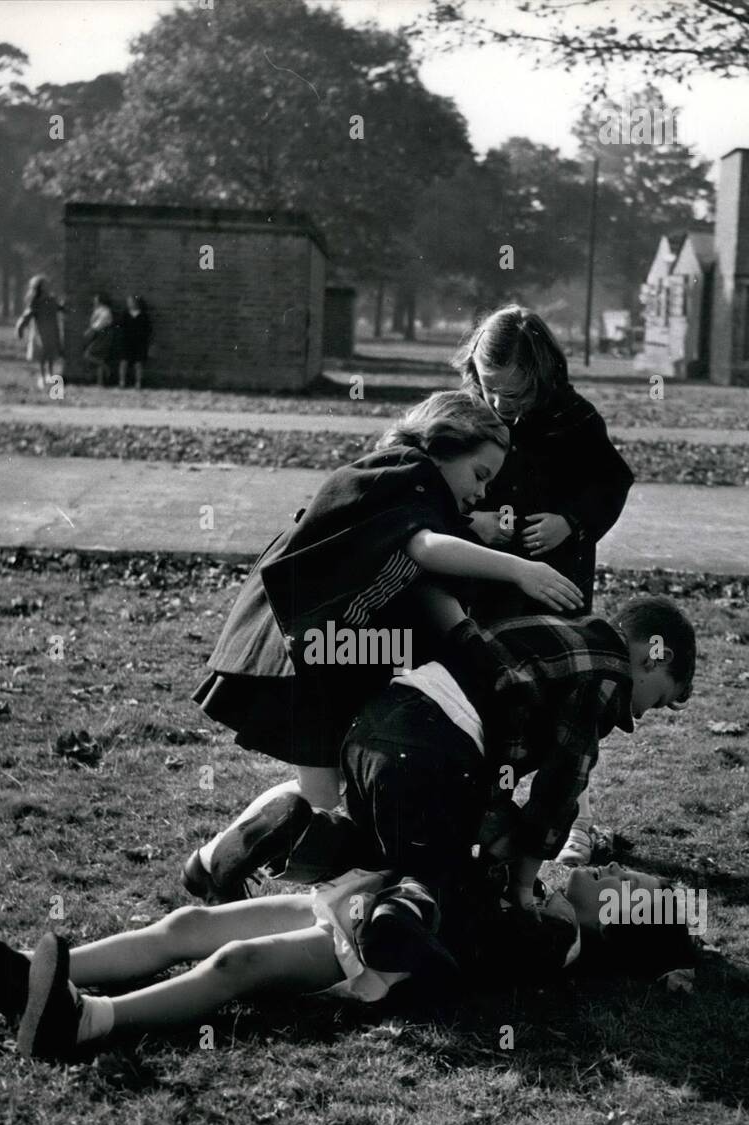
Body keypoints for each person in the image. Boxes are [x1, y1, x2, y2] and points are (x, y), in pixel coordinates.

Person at [186, 390, 584, 901]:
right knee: (326, 801)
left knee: (334, 795)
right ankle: (253, 879)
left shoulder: (413, 486)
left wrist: (471, 526)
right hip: (302, 644)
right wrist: (519, 568)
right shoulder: (403, 470)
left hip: (330, 652)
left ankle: (216, 865)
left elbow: (420, 538)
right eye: (479, 474)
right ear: (443, 445)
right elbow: (423, 544)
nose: (482, 492)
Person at [188, 593, 696, 974]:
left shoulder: (553, 630)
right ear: (654, 659)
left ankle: (282, 835)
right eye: (656, 699)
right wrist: (522, 883)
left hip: (382, 720)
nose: (638, 714)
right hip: (436, 745)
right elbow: (560, 788)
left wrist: (498, 825)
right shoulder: (607, 675)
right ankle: (395, 924)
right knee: (439, 866)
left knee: (376, 843)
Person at [0, 860, 697, 1065]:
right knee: (191, 921)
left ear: (620, 927)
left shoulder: (551, 939)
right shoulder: (552, 881)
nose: (628, 878)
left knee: (234, 962)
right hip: (363, 896)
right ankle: (53, 973)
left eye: (639, 892)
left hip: (375, 943)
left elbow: (456, 942)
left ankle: (86, 1023)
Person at [456, 305, 636, 867]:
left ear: (543, 376)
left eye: (516, 394)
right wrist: (473, 523)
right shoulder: (465, 416)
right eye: (492, 391)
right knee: (492, 689)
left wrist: (571, 520)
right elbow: (430, 487)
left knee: (565, 699)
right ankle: (484, 810)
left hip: (557, 581)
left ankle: (555, 821)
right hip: (483, 578)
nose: (503, 407)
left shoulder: (575, 420)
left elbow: (612, 481)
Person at [15, 275, 66, 391]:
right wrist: (20, 327)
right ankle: (43, 377)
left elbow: (59, 308)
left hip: (52, 330)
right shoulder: (36, 302)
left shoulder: (52, 299)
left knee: (51, 355)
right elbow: (27, 315)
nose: (47, 287)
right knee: (43, 355)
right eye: (45, 285)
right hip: (40, 331)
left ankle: (50, 375)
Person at [118, 294, 152, 389]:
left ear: (137, 303)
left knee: (138, 363)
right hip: (126, 341)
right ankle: (122, 381)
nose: (129, 304)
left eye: (131, 302)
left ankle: (138, 382)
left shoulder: (143, 315)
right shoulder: (125, 314)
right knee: (124, 362)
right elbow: (121, 327)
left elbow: (148, 329)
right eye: (128, 302)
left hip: (139, 342)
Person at [82, 293, 117, 386]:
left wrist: (90, 330)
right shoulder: (98, 310)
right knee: (99, 357)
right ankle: (100, 382)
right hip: (99, 335)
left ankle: (106, 368)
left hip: (103, 335)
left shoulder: (105, 311)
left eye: (96, 300)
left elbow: (100, 324)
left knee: (89, 355)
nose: (95, 301)